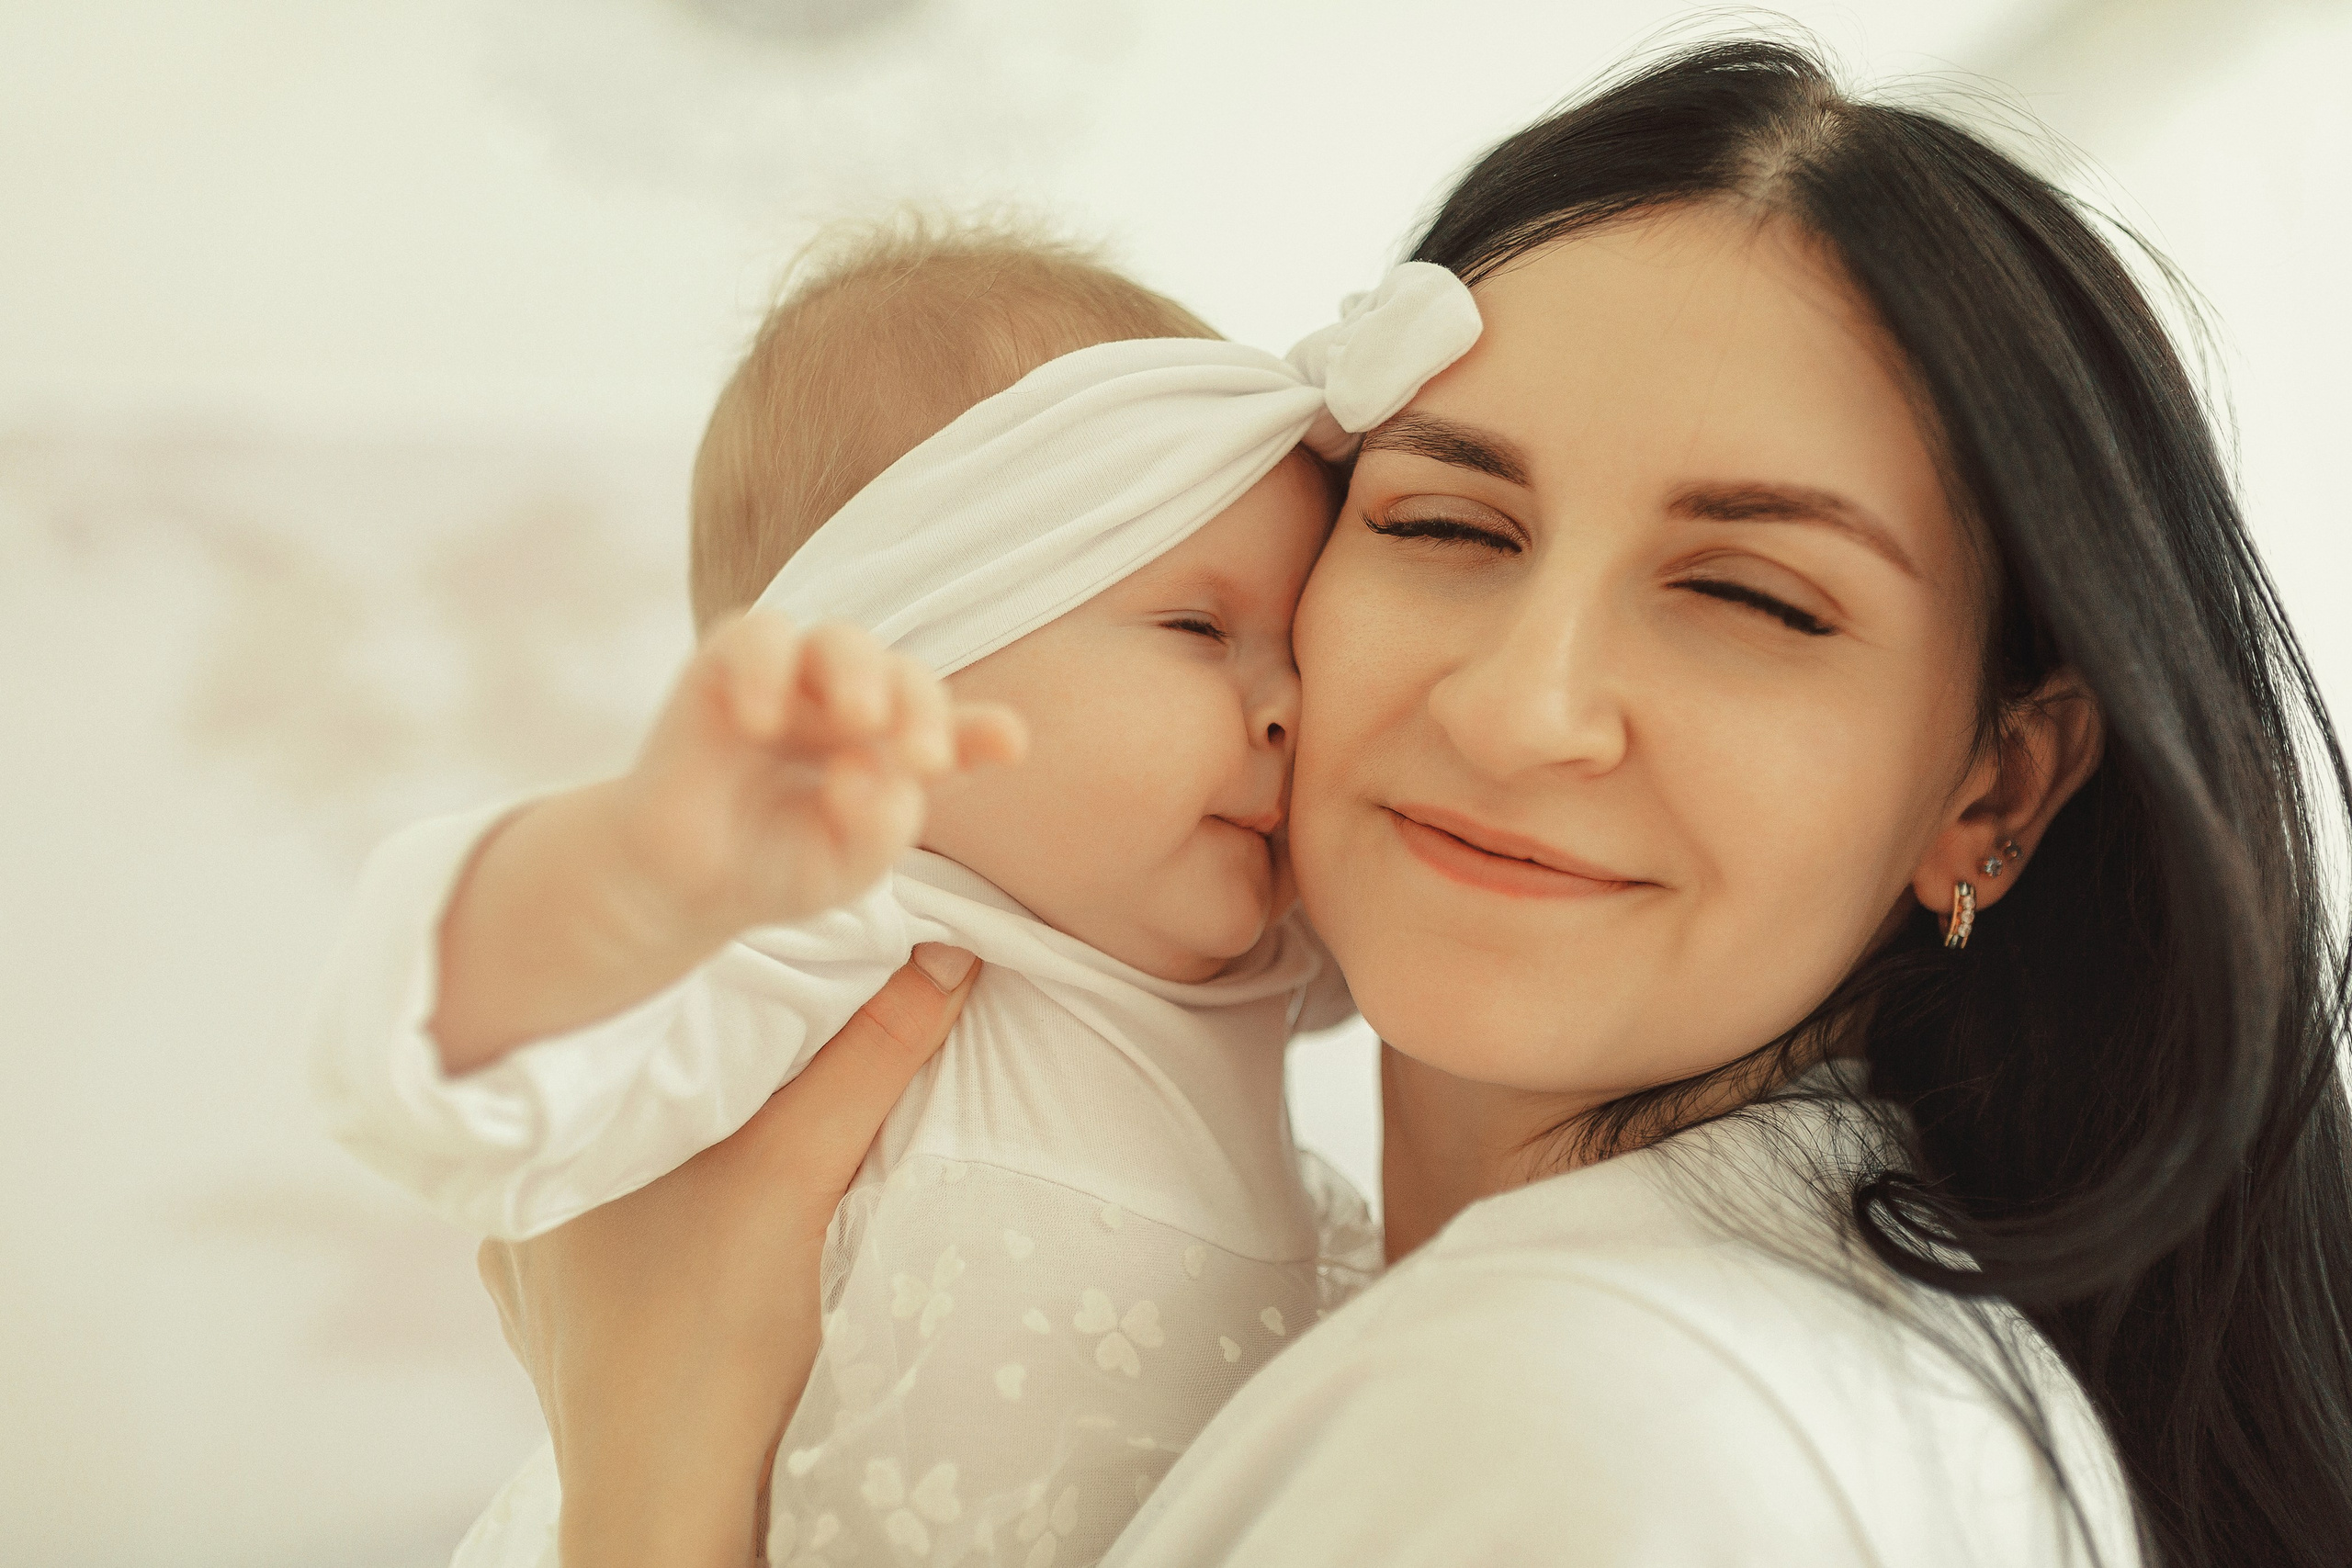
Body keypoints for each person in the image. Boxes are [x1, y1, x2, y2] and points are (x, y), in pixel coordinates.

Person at [476, 39, 2352, 1568]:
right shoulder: (1807, 1330)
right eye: (1443, 524)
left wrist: (649, 1468)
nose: (1521, 707)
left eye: (1748, 595)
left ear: (1991, 790)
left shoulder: (1581, 1406)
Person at [310, 224, 1478, 1566]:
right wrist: (634, 879)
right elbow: (461, 1076)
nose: (1287, 708)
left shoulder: (1263, 960)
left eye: (1300, 643)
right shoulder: (844, 940)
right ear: (911, 645)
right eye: (1200, 629)